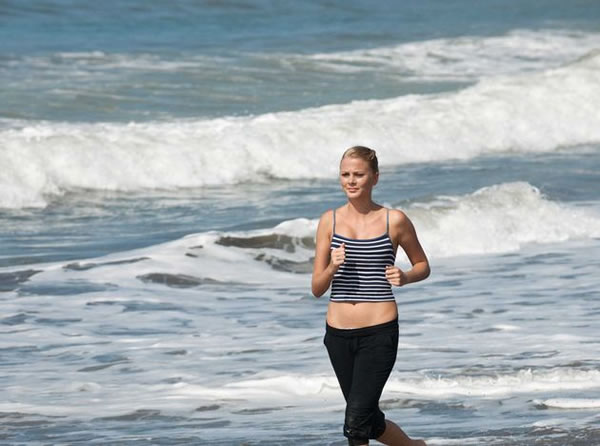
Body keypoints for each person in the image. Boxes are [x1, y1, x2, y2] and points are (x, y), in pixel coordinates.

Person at [311, 146, 430, 446]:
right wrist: (332, 267)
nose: (351, 181)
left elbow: (423, 265)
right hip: (337, 335)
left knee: (356, 422)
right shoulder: (329, 221)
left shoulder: (395, 221)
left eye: (359, 175)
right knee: (367, 419)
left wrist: (405, 276)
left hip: (378, 332)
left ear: (374, 178)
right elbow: (316, 288)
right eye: (345, 174)